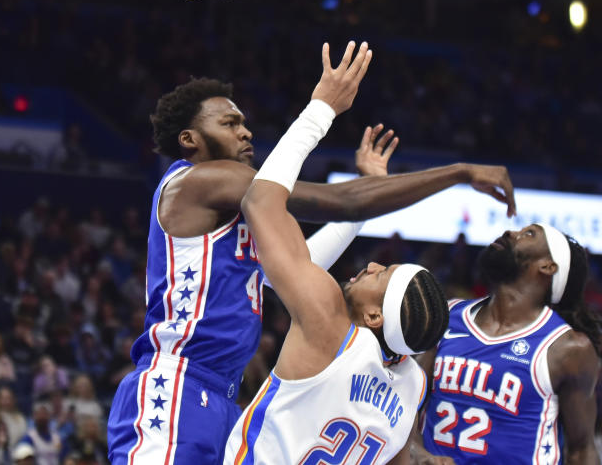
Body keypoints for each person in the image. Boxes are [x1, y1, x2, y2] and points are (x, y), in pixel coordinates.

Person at [107, 41, 516, 465]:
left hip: (221, 396)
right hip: (176, 385)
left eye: (244, 122)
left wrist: (359, 211)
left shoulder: (230, 204)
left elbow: (297, 263)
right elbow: (335, 200)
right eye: (229, 123)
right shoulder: (198, 181)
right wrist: (457, 171)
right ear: (189, 139)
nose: (245, 131)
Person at [223, 40, 456, 464]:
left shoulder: (330, 326)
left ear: (373, 317)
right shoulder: (413, 387)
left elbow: (259, 202)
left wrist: (321, 109)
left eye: (380, 275)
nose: (369, 265)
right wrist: (361, 210)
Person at [411, 223, 602, 465]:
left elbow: (582, 449)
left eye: (529, 234)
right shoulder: (446, 315)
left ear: (547, 266)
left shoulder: (568, 348)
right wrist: (417, 452)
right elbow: (406, 404)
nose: (511, 233)